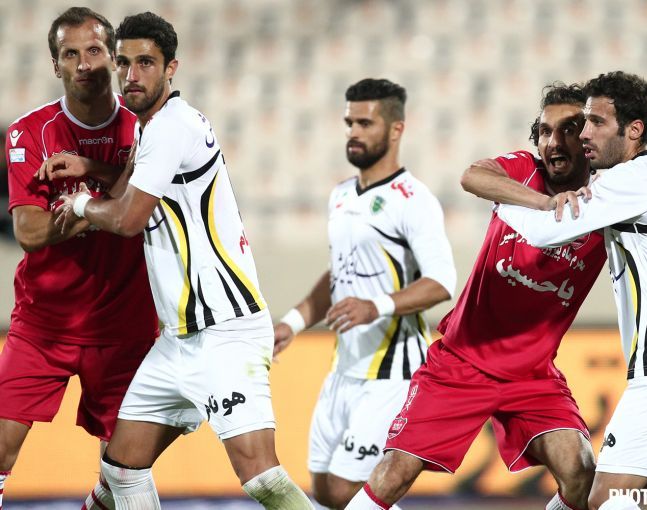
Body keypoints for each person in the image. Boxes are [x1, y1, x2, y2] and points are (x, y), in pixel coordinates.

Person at [52, 12, 313, 509]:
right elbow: (131, 188)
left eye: (145, 63)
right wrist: (91, 166)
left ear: (171, 68)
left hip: (224, 332)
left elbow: (128, 218)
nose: (131, 75)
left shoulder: (171, 127)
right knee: (121, 470)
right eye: (123, 62)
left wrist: (81, 202)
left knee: (261, 476)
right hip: (177, 341)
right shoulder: (155, 128)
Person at [346, 83, 608, 510]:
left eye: (568, 129)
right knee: (393, 473)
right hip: (461, 363)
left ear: (589, 138)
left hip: (533, 375)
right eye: (545, 131)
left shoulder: (608, 201)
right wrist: (545, 205)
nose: (553, 142)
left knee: (581, 471)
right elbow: (472, 176)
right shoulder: (523, 172)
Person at [494, 72, 647, 510]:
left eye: (597, 122)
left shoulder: (632, 179)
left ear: (634, 130)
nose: (584, 134)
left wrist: (503, 197)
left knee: (605, 498)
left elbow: (546, 231)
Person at [273, 78, 456, 509]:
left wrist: (377, 306)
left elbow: (442, 281)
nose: (353, 132)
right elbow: (340, 273)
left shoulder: (414, 199)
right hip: (344, 366)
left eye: (365, 123)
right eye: (349, 122)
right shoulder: (340, 196)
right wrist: (293, 322)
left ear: (396, 129)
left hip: (392, 372)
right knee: (324, 490)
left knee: (346, 491)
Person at [0, 8, 158, 510]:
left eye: (94, 51)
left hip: (124, 326)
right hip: (43, 324)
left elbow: (144, 212)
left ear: (113, 58)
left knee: (124, 472)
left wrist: (83, 201)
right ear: (55, 65)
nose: (84, 64)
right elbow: (29, 232)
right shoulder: (30, 133)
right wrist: (103, 210)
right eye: (71, 54)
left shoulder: (148, 129)